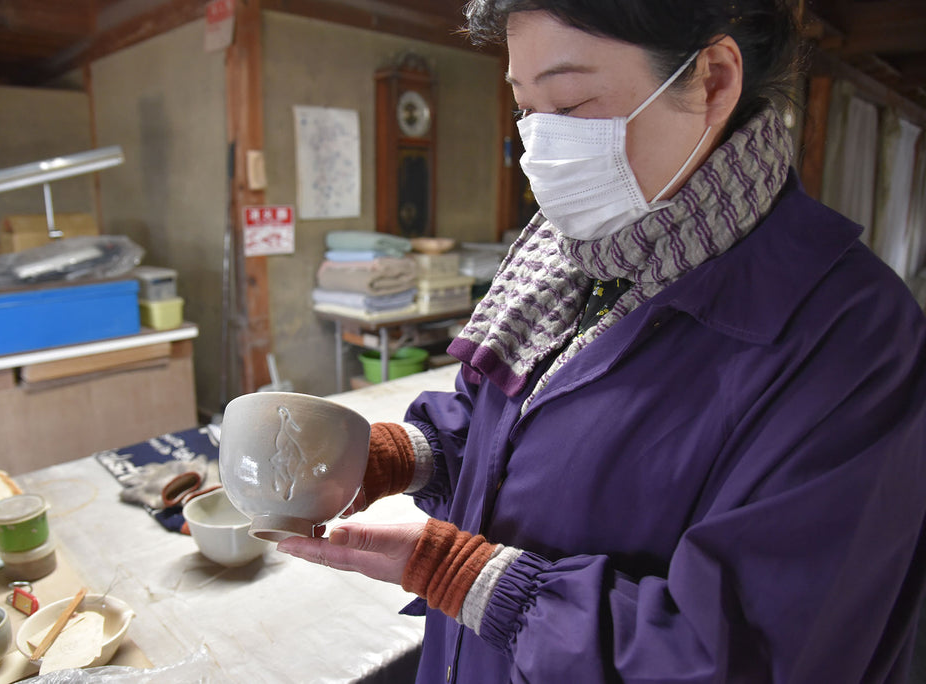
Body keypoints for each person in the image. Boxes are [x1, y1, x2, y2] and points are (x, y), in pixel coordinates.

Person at [279, 0, 926, 681]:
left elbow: (757, 659)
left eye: (570, 102)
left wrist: (474, 581)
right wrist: (404, 455)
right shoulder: (569, 260)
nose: (540, 148)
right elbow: (516, 432)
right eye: (525, 108)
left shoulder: (853, 342)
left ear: (712, 79)